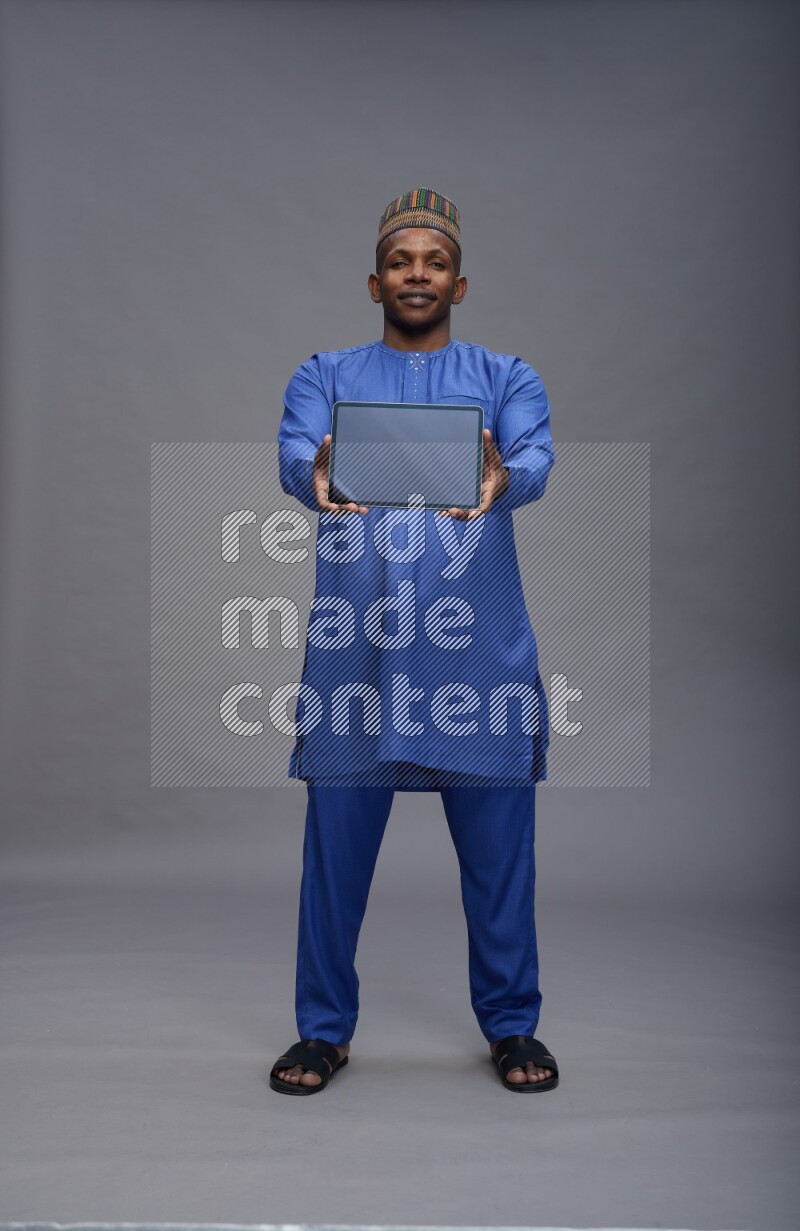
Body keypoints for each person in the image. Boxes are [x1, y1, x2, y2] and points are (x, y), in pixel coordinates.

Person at [271, 188, 559, 1094]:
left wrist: (504, 475)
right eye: (402, 262)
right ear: (375, 281)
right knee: (334, 862)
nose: (418, 275)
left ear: (460, 282)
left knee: (501, 863)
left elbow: (537, 464)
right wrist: (312, 469)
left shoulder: (507, 376)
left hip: (476, 660)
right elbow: (296, 452)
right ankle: (323, 1031)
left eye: (433, 262)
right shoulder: (325, 373)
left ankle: (513, 1027)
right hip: (356, 659)